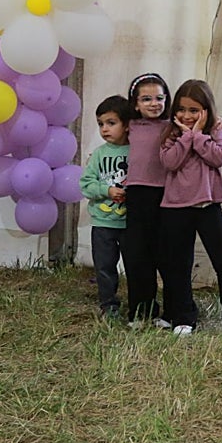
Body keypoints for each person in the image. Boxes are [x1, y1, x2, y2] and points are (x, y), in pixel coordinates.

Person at [158, 80, 222, 338]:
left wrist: (197, 135)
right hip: (175, 208)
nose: (187, 115)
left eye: (194, 110)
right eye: (182, 109)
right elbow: (170, 162)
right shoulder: (170, 134)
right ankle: (184, 317)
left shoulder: (217, 130)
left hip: (207, 206)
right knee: (179, 265)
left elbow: (218, 157)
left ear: (206, 110)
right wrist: (186, 136)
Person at [124, 73, 172, 325]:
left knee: (164, 255)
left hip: (165, 196)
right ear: (135, 103)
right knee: (137, 255)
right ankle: (141, 311)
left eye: (159, 98)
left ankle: (174, 311)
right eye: (146, 99)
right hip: (136, 195)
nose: (154, 103)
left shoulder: (172, 125)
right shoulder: (129, 126)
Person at [79, 95, 132, 320]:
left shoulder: (138, 151)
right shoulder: (99, 154)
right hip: (103, 222)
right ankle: (108, 304)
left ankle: (138, 304)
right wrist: (107, 191)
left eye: (111, 123)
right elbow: (86, 185)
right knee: (104, 266)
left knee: (136, 266)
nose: (104, 129)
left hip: (131, 223)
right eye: (101, 124)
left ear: (127, 124)